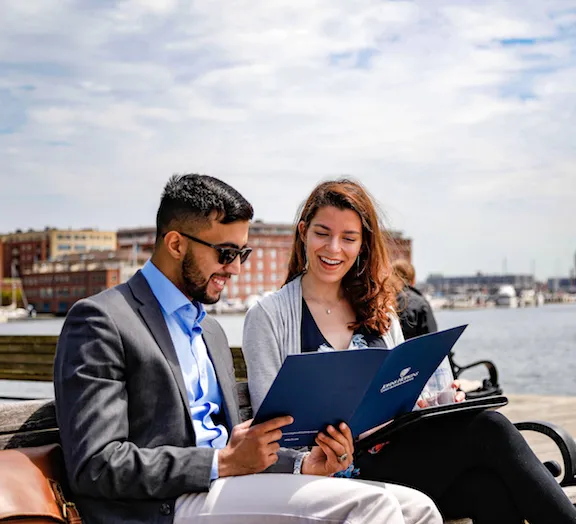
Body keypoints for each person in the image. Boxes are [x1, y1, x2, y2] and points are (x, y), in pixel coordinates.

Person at [54, 174, 442, 524]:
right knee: (372, 508)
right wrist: (219, 461)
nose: (236, 269)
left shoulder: (211, 331)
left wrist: (306, 463)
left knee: (419, 508)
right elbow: (96, 465)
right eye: (225, 253)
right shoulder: (101, 320)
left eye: (243, 254)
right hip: (162, 505)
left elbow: (242, 444)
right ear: (175, 244)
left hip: (229, 487)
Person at [242, 178, 576, 524]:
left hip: (392, 454)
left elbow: (401, 392)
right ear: (303, 233)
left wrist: (433, 400)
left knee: (487, 487)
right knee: (489, 429)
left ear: (363, 245)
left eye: (349, 238)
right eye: (322, 233)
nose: (334, 248)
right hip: (327, 472)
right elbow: (268, 428)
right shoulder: (268, 315)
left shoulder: (379, 310)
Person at [392, 259, 438, 340]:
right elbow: (433, 338)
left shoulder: (385, 303)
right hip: (417, 351)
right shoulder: (421, 304)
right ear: (413, 280)